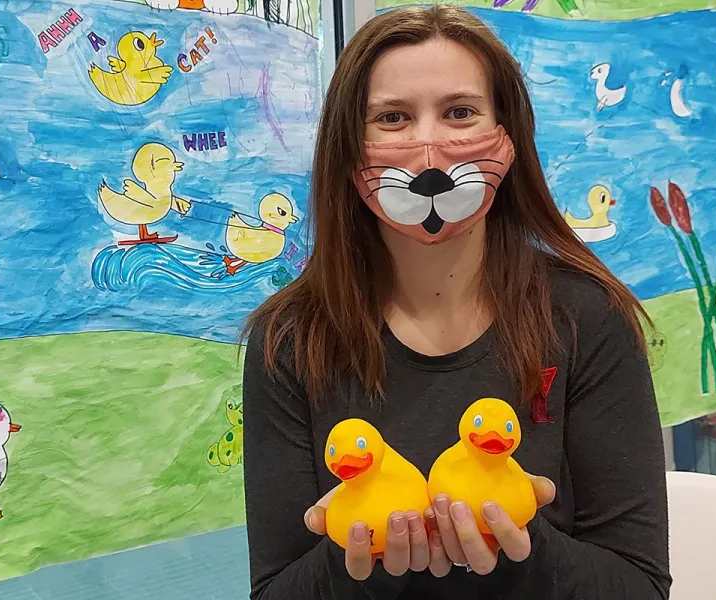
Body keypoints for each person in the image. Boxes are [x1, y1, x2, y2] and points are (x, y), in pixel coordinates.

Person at [241, 5, 670, 599]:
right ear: (347, 149)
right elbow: (273, 591)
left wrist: (521, 548)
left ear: (507, 138)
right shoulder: (290, 340)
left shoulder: (585, 318)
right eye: (392, 118)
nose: (429, 149)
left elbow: (640, 586)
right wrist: (355, 562)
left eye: (460, 113)